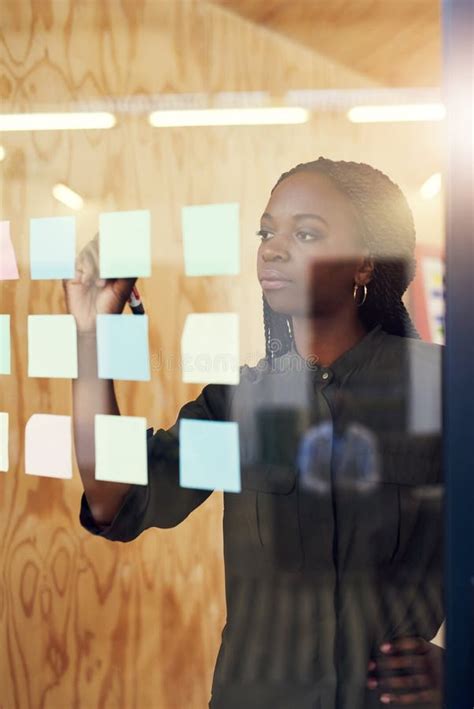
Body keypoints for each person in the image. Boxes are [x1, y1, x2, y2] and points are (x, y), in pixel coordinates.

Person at [64, 157, 444, 709]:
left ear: (364, 263)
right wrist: (90, 335)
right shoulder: (239, 406)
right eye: (267, 232)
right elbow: (113, 497)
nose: (273, 248)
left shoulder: (442, 388)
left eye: (306, 232)